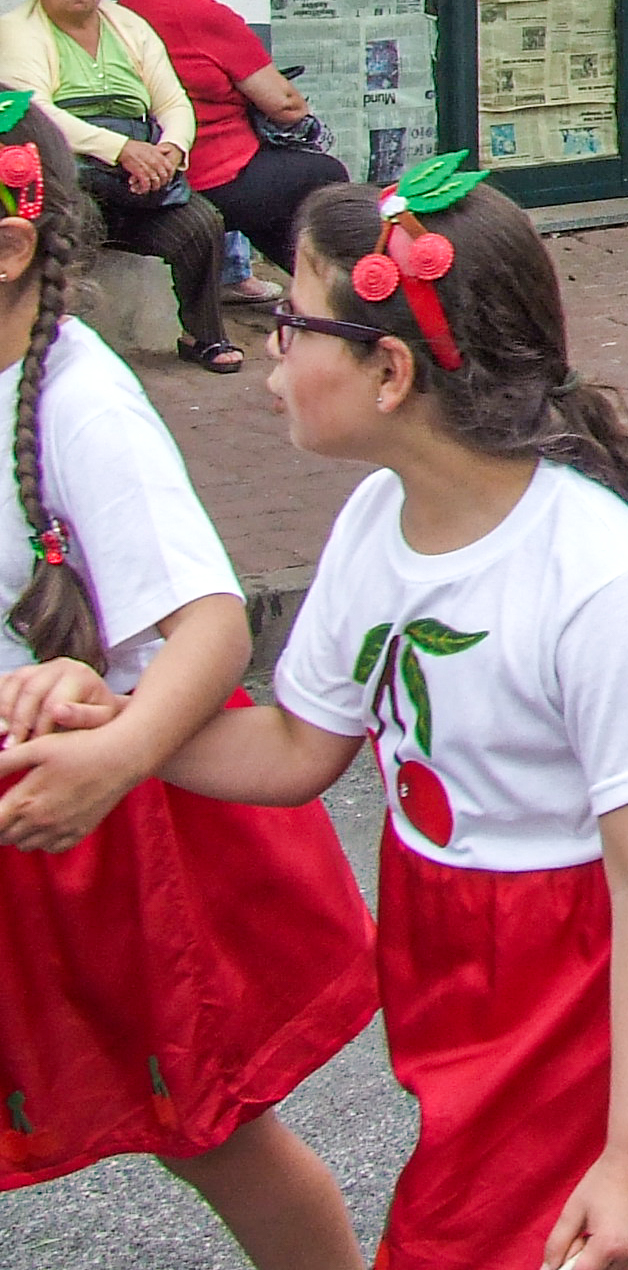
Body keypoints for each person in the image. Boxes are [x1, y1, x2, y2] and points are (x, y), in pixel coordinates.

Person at [64, 158, 628, 1270]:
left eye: (291, 325)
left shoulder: (593, 574)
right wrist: (112, 726)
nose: (271, 354)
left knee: (472, 1237)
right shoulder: (373, 527)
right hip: (453, 938)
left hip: (579, 961)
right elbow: (299, 745)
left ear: (388, 368)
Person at [0, 100, 376, 1267]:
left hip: (85, 819)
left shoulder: (77, 401)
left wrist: (112, 752)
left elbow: (211, 627)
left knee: (206, 1128)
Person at [0, 0, 232, 372]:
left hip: (140, 172)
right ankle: (59, 338)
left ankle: (203, 334)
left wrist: (170, 150)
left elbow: (172, 101)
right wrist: (121, 150)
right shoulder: (16, 32)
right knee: (74, 219)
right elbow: (40, 115)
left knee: (201, 224)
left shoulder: (130, 27)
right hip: (69, 171)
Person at [116, 0, 351, 292]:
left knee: (278, 200)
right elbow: (287, 106)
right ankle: (343, 294)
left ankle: (316, 291)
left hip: (164, 168)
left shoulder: (129, 8)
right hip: (211, 172)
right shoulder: (206, 16)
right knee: (324, 174)